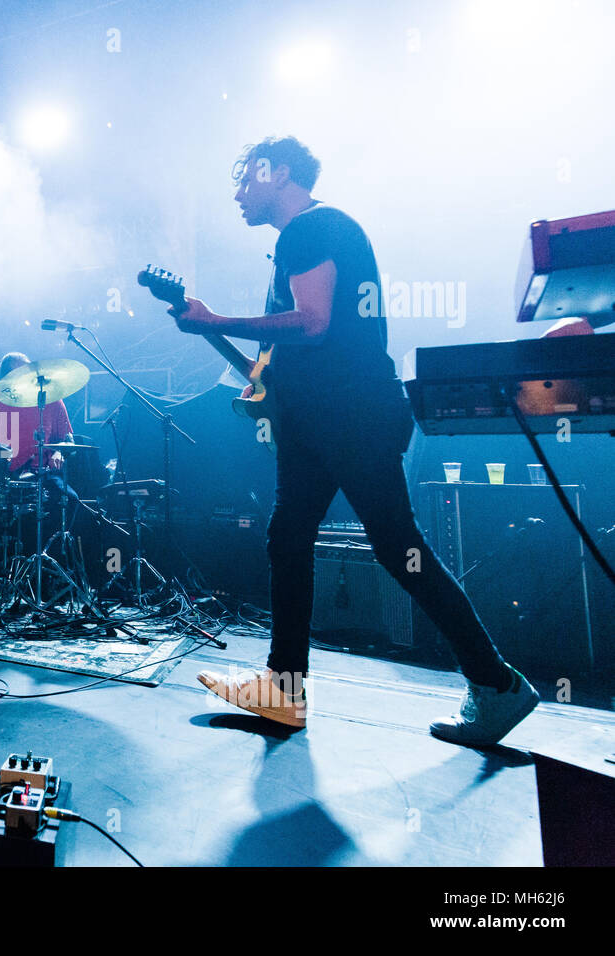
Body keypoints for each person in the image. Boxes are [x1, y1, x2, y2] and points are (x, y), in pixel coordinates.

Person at [173, 136, 538, 746]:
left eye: (245, 181)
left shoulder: (312, 228)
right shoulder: (311, 235)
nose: (236, 195)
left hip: (349, 417)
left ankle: (497, 685)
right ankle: (284, 690)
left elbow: (312, 323)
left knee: (397, 548)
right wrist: (256, 376)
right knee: (289, 538)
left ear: (278, 172)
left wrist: (216, 320)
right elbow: (309, 342)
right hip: (321, 420)